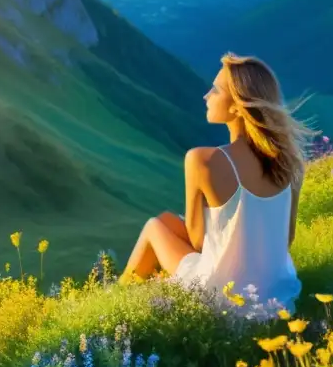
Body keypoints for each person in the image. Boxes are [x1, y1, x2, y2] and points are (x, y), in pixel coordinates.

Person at [120, 52, 316, 316]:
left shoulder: (202, 160)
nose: (206, 96)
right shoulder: (290, 164)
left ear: (236, 106)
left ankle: (116, 303)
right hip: (277, 301)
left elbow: (198, 241)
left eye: (215, 90)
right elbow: (285, 239)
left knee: (155, 227)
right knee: (168, 221)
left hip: (220, 303)